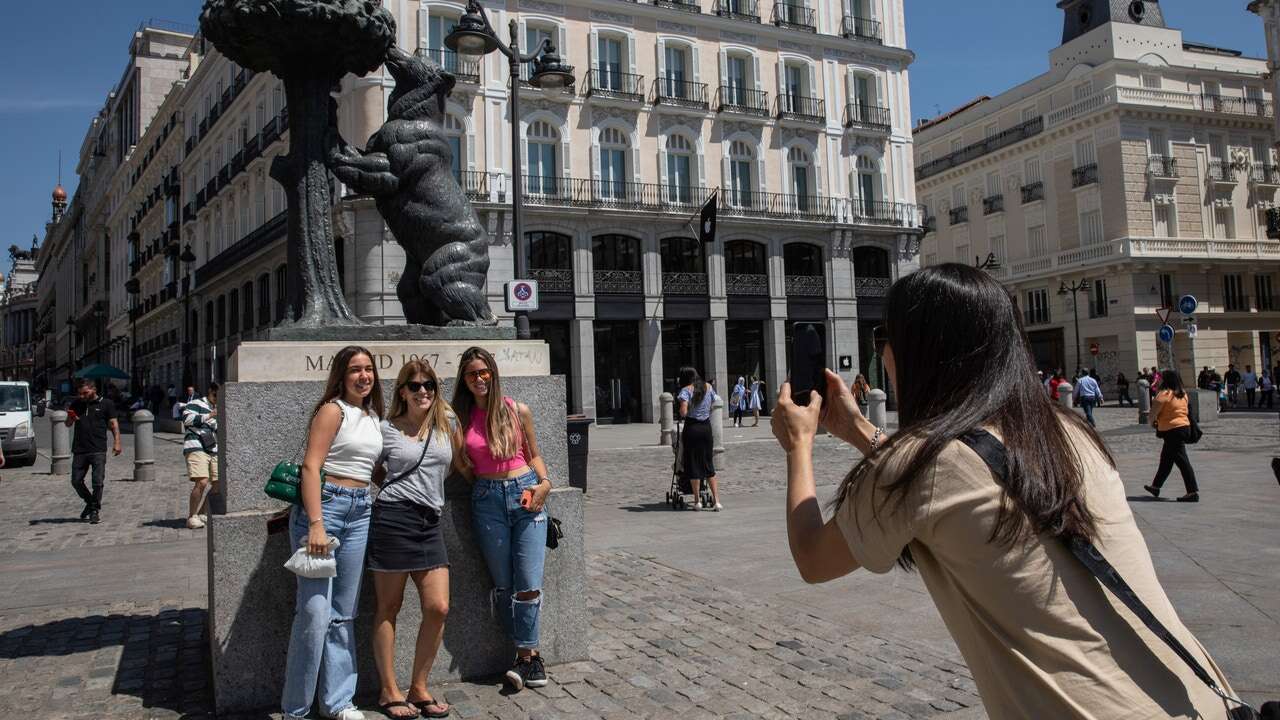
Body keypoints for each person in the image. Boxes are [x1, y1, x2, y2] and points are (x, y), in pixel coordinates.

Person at [771, 263, 1239, 719]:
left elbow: (814, 557)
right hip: (1197, 700)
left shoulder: (921, 465)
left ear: (916, 352)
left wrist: (799, 445)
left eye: (887, 338)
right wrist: (858, 429)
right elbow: (964, 464)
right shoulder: (1067, 430)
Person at [282, 346, 383, 720]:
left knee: (343, 612)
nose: (364, 376)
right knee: (313, 613)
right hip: (327, 509)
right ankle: (296, 709)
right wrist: (316, 523)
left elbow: (369, 468)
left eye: (369, 369)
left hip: (360, 511)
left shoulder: (372, 416)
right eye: (355, 369)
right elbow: (311, 467)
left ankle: (339, 701)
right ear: (341, 376)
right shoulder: (332, 409)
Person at [451, 346, 552, 692]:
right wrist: (484, 487)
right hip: (487, 500)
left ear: (493, 373)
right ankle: (531, 661)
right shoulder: (460, 419)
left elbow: (534, 454)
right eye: (471, 374)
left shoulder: (516, 410)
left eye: (483, 372)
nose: (478, 378)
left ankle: (525, 659)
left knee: (527, 584)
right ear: (463, 381)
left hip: (527, 494)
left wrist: (545, 484)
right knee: (505, 585)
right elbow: (463, 465)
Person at [369, 360, 456, 719]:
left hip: (430, 522)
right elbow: (373, 469)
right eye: (415, 385)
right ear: (401, 391)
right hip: (393, 518)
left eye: (430, 386)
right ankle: (389, 691)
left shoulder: (445, 425)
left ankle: (419, 686)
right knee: (389, 607)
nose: (423, 391)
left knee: (439, 607)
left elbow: (456, 464)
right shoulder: (386, 428)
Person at [65, 379, 122, 525]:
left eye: (85, 393)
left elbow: (114, 424)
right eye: (80, 393)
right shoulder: (77, 404)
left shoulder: (106, 404)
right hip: (79, 448)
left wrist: (117, 442)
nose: (82, 396)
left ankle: (95, 510)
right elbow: (68, 424)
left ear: (93, 390)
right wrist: (70, 418)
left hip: (98, 448)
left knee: (97, 482)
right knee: (76, 481)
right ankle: (90, 503)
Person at [1143, 369, 1199, 503]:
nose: (1159, 379)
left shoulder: (1164, 394)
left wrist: (1152, 423)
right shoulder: (1182, 393)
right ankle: (1156, 486)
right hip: (1183, 428)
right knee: (1166, 460)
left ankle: (1192, 492)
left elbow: (1152, 414)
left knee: (1182, 461)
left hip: (1172, 430)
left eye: (1161, 377)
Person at [676, 366, 722, 511]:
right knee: (708, 463)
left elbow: (683, 413)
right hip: (706, 428)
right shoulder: (708, 386)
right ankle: (717, 501)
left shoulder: (685, 391)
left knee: (693, 464)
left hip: (692, 428)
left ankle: (697, 501)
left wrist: (689, 408)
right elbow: (714, 402)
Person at [182, 383, 219, 530]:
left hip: (213, 447)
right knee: (202, 481)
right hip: (195, 444)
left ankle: (202, 512)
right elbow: (187, 420)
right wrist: (210, 415)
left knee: (218, 482)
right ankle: (192, 516)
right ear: (210, 391)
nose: (217, 399)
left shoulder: (220, 408)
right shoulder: (195, 403)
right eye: (216, 395)